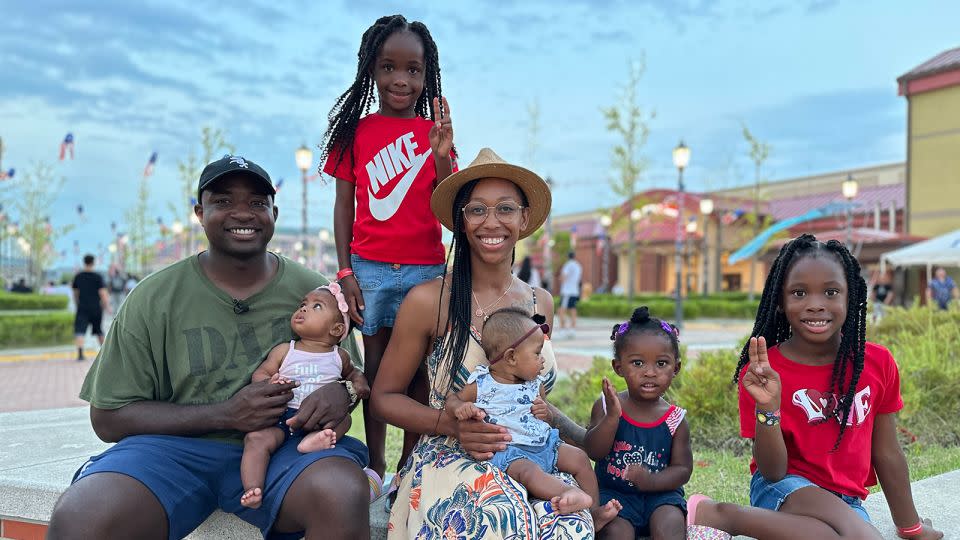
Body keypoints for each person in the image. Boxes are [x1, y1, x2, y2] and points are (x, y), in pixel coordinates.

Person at [47, 155, 371, 540]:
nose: (242, 213)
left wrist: (345, 392)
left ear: (274, 212)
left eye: (256, 203)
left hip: (287, 447)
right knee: (82, 515)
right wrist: (226, 414)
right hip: (174, 452)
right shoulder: (155, 297)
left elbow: (347, 374)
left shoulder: (314, 291)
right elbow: (108, 418)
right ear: (200, 213)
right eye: (223, 201)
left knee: (341, 492)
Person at [371, 147, 597, 537]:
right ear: (461, 220)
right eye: (477, 210)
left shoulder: (538, 302)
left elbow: (530, 397)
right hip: (452, 455)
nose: (491, 222)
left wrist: (585, 435)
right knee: (498, 519)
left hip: (534, 456)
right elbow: (383, 398)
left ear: (524, 218)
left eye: (505, 208)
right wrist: (451, 426)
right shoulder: (430, 301)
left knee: (571, 526)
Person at [681, 234, 944, 539]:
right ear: (780, 301)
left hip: (846, 499)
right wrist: (768, 407)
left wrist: (910, 527)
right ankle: (724, 514)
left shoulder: (877, 363)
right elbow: (772, 471)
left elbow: (887, 453)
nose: (816, 305)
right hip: (782, 489)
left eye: (831, 292)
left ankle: (718, 514)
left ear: (851, 297)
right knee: (863, 537)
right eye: (799, 293)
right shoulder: (764, 372)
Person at [321, 14, 455, 483]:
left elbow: (449, 207)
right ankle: (377, 465)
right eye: (389, 67)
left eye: (414, 69)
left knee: (420, 374)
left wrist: (441, 154)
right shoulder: (353, 133)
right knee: (376, 373)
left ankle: (409, 464)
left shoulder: (434, 135)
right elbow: (343, 208)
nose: (401, 79)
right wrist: (345, 272)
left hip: (425, 272)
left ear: (426, 74)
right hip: (370, 271)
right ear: (371, 70)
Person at [445, 307, 621, 529]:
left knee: (579, 459)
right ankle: (570, 493)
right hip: (510, 452)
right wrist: (461, 407)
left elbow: (544, 413)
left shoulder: (535, 385)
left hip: (543, 444)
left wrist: (545, 414)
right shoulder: (483, 384)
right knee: (529, 473)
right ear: (511, 357)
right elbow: (452, 400)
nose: (542, 361)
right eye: (537, 354)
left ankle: (593, 512)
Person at [240, 283, 371, 509]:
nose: (303, 309)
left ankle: (316, 440)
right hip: (282, 416)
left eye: (316, 306)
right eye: (303, 305)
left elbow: (353, 375)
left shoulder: (339, 356)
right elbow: (262, 372)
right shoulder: (286, 350)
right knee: (256, 439)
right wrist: (268, 382)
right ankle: (252, 487)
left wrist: (359, 384)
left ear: (337, 330)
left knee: (345, 420)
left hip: (320, 420)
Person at [584, 307, 693, 539]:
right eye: (638, 363)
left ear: (676, 368)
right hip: (614, 496)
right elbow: (593, 451)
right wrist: (612, 418)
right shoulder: (606, 406)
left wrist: (651, 481)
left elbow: (683, 470)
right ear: (618, 367)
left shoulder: (675, 419)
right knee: (617, 532)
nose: (650, 373)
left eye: (661, 364)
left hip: (661, 495)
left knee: (669, 525)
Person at [72, 254, 110, 361]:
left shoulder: (78, 276)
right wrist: (106, 306)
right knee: (98, 330)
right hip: (96, 308)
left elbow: (75, 293)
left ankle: (80, 354)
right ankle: (105, 354)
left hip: (82, 307)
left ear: (84, 262)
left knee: (80, 330)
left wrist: (77, 303)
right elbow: (103, 293)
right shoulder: (98, 277)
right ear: (93, 263)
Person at [558, 251, 582, 337]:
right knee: (573, 310)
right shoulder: (578, 266)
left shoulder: (568, 265)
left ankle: (562, 329)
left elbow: (564, 277)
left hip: (567, 291)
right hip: (575, 291)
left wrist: (561, 279)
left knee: (561, 310)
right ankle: (573, 329)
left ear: (568, 257)